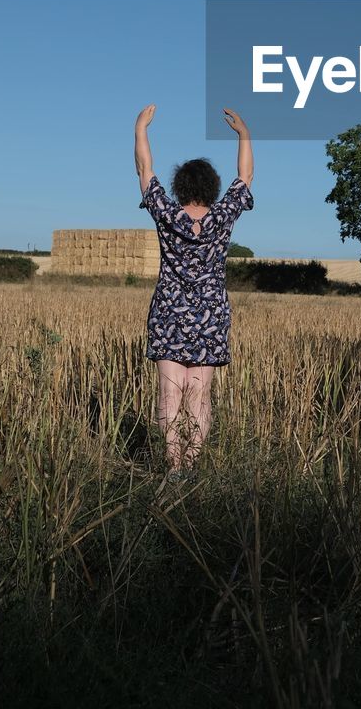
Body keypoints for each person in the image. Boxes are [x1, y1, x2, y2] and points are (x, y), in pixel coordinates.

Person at [134, 103, 254, 478]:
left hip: (169, 312)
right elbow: (246, 176)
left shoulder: (166, 214)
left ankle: (173, 470)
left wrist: (141, 129)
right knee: (199, 395)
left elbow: (144, 169)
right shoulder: (223, 216)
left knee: (170, 393)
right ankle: (191, 467)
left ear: (180, 187)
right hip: (210, 315)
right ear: (212, 188)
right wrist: (244, 134)